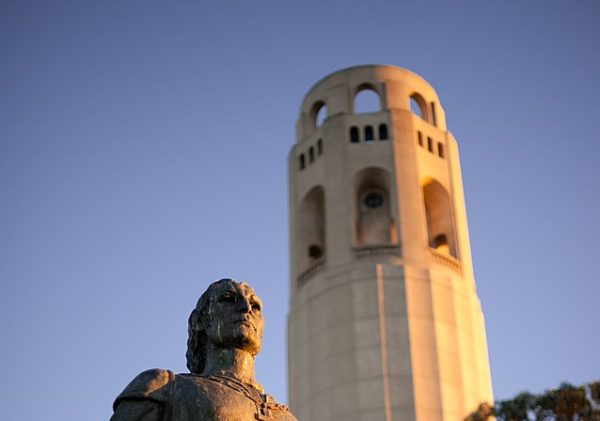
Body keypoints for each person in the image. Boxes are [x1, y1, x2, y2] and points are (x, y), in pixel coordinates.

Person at [110, 278, 297, 421]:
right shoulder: (164, 387)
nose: (246, 308)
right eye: (228, 299)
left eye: (255, 306)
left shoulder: (284, 415)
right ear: (201, 321)